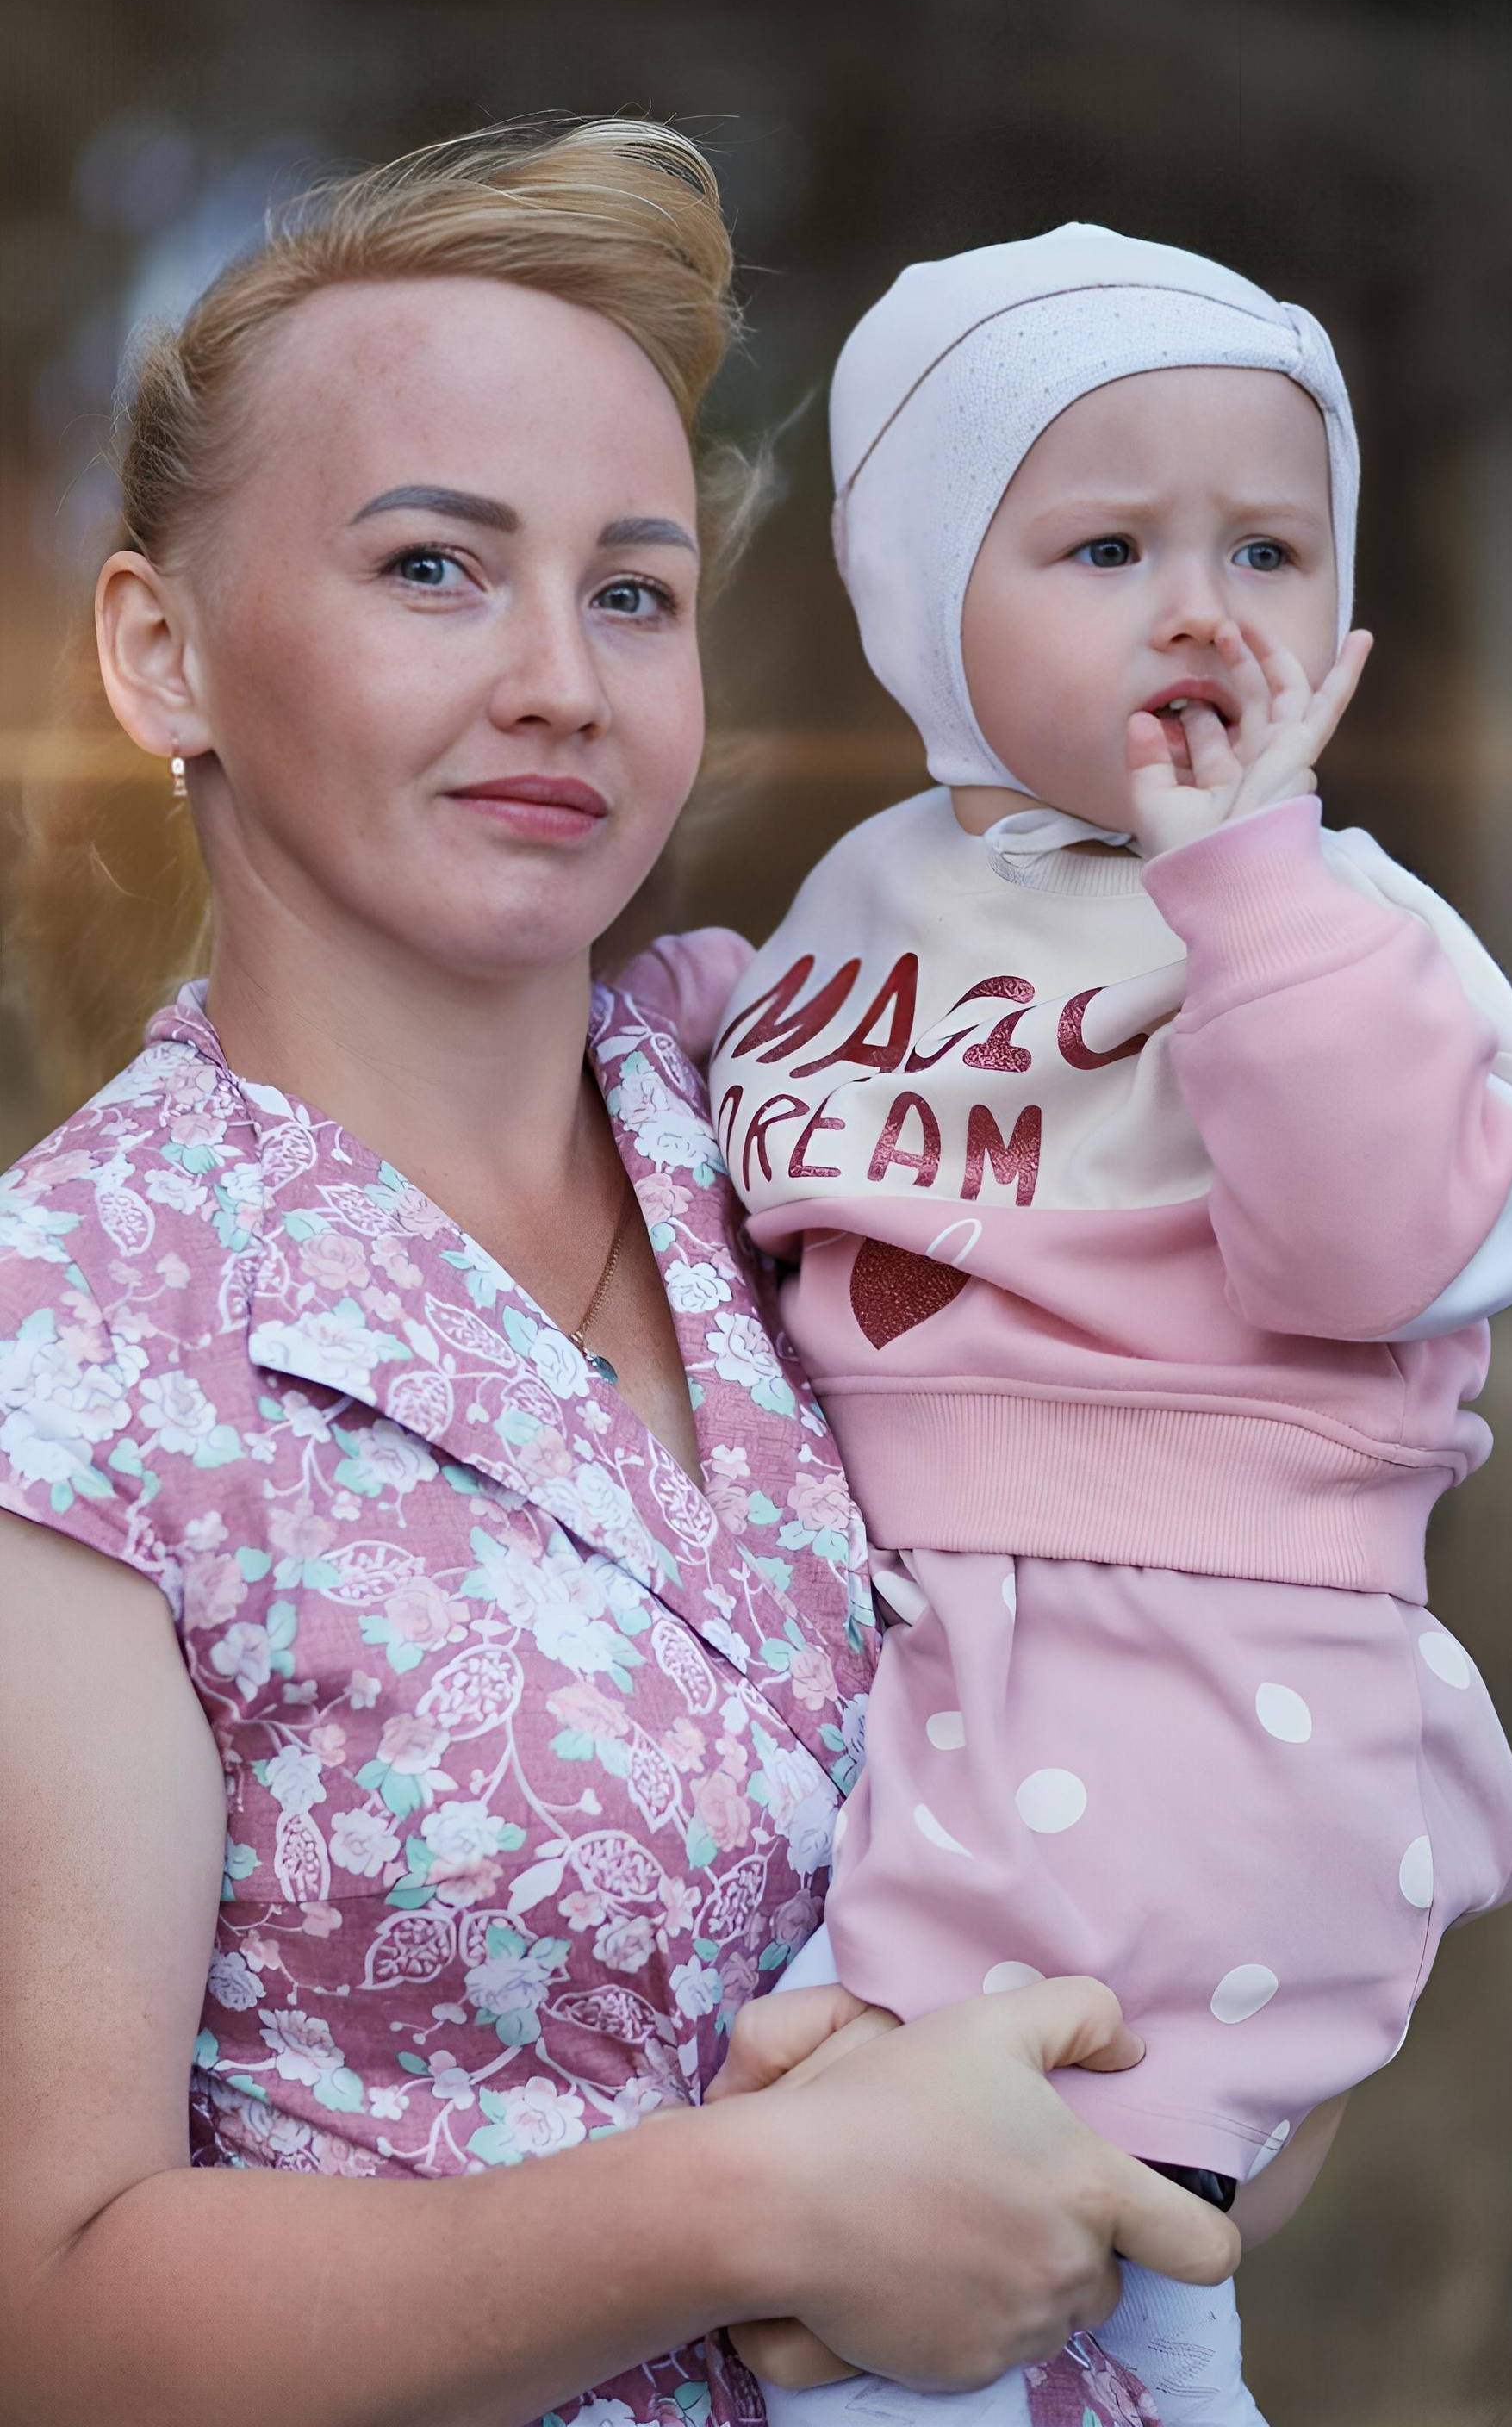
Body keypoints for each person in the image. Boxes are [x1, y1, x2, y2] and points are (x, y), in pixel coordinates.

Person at [0, 144, 1239, 2427]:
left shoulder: (839, 1127)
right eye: (434, 567)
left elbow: (1216, 1678)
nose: (562, 682)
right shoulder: (73, 1341)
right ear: (159, 651)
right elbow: (47, 2317)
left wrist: (1182, 2109)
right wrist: (752, 2211)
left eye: (636, 593)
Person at [706, 224, 1512, 2426]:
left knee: (957, 2234)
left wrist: (1252, 888)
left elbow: (1383, 1244)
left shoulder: (1336, 922)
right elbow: (776, 1127)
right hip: (946, 1640)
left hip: (1210, 1658)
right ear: (924, 593)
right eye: (1108, 548)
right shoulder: (862, 898)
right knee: (906, 2195)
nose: (1204, 611)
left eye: (1268, 549)